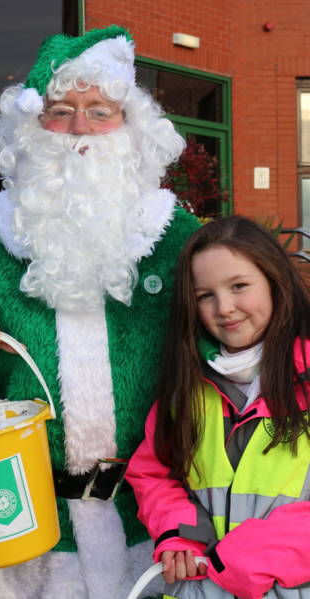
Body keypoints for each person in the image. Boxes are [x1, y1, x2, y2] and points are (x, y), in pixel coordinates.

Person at [0, 26, 199, 598]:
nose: (80, 129)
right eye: (61, 111)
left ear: (128, 127)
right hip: (27, 526)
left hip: (155, 522)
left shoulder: (174, 233)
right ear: (33, 126)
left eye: (99, 111)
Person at [125, 216, 310, 599]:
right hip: (202, 590)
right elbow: (155, 474)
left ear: (275, 282)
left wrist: (268, 551)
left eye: (239, 286)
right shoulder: (187, 388)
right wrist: (180, 532)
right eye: (204, 295)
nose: (224, 307)